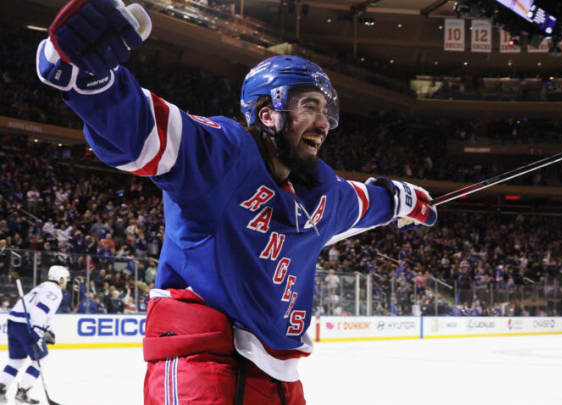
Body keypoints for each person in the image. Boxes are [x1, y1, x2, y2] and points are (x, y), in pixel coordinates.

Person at [36, 1, 437, 404]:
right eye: (310, 106)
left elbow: (370, 201)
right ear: (267, 114)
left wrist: (405, 199)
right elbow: (142, 130)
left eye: (326, 111)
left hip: (280, 377)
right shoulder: (225, 154)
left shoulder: (324, 193)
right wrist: (86, 80)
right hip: (202, 366)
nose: (323, 122)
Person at [0, 265, 69, 404]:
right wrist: (38, 330)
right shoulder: (54, 290)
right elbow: (41, 309)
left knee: (16, 361)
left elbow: (43, 312)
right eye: (66, 279)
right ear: (60, 279)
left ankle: (1, 390)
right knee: (41, 360)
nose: (66, 281)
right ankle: (23, 393)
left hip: (14, 322)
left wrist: (49, 330)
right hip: (27, 325)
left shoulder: (43, 286)